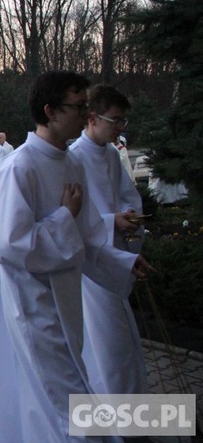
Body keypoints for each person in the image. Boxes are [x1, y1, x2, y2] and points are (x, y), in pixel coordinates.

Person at [0, 71, 152, 441]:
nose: (83, 114)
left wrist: (123, 261)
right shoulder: (19, 167)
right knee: (67, 405)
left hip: (67, 300)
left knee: (56, 399)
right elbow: (9, 245)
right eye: (77, 107)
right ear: (50, 110)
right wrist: (63, 217)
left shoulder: (70, 163)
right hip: (34, 304)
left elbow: (87, 236)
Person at [70, 85, 148, 395]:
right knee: (108, 352)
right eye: (114, 120)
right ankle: (113, 426)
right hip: (92, 268)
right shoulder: (73, 158)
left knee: (123, 348)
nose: (120, 128)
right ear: (92, 118)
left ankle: (130, 422)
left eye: (123, 121)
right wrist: (109, 222)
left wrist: (130, 217)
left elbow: (127, 197)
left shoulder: (111, 156)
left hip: (115, 256)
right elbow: (70, 218)